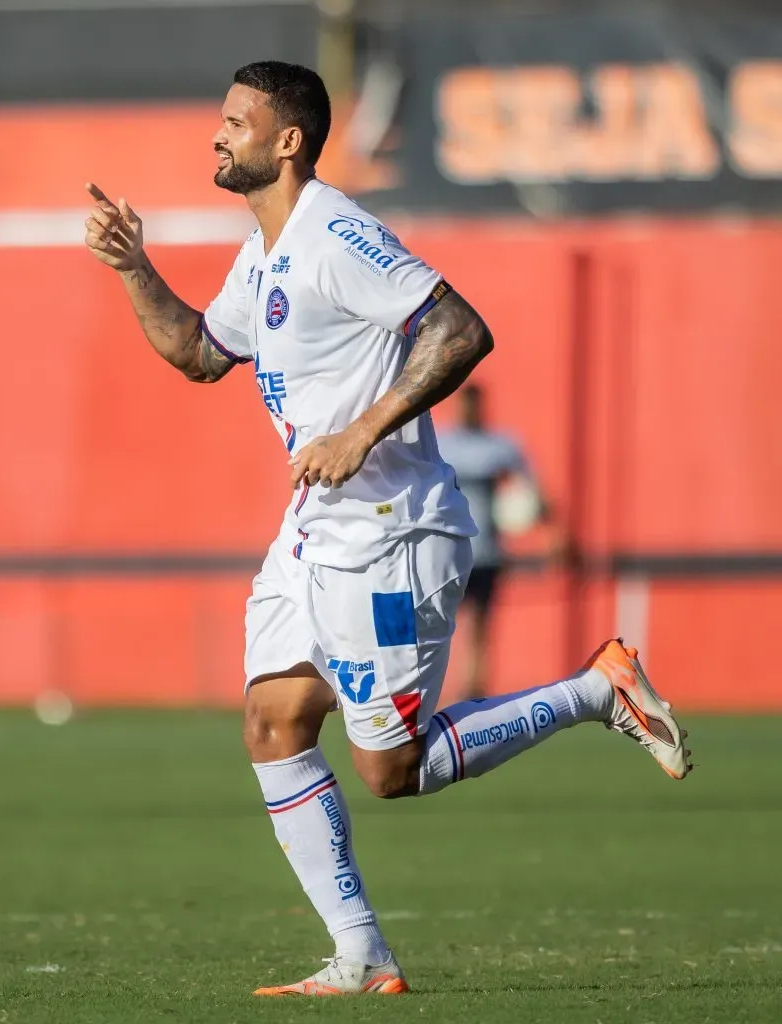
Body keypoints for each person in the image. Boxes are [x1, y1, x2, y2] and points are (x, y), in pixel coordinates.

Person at [83, 61, 692, 998]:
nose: (218, 133)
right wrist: (133, 267)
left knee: (390, 772)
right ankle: (360, 954)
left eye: (236, 121)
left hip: (390, 533)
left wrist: (360, 432)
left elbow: (459, 328)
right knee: (272, 719)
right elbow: (203, 353)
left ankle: (593, 690)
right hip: (313, 530)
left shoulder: (334, 233)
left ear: (287, 141)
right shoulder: (266, 251)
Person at [439, 384, 558, 699]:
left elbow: (533, 491)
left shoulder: (500, 447)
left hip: (488, 552)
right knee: (440, 622)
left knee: (479, 623)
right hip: (447, 552)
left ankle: (473, 689)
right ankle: (436, 689)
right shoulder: (441, 444)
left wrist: (554, 534)